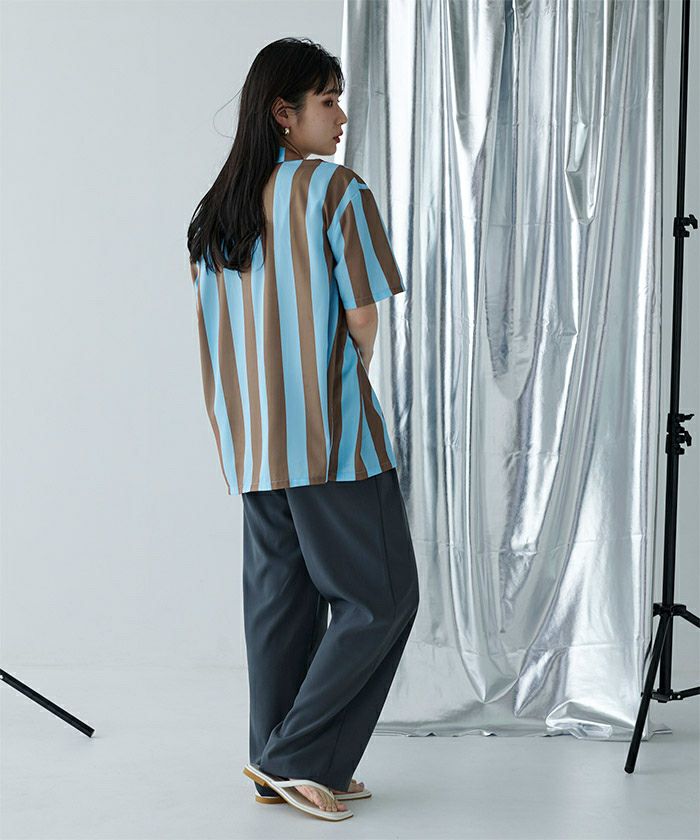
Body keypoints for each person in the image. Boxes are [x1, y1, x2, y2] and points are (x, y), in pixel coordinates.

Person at [186, 37, 420, 822]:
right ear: (283, 114)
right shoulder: (333, 189)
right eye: (328, 100)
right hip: (331, 439)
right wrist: (349, 376)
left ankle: (277, 759)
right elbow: (364, 318)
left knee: (280, 607)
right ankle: (298, 757)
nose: (342, 116)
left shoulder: (216, 210)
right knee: (381, 597)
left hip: (254, 442)